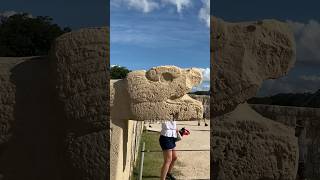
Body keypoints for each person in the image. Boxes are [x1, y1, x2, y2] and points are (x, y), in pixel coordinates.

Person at [159, 114, 179, 180]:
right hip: (166, 136)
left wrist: (176, 129)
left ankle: (168, 174)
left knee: (174, 157)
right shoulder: (164, 110)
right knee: (168, 160)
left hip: (172, 136)